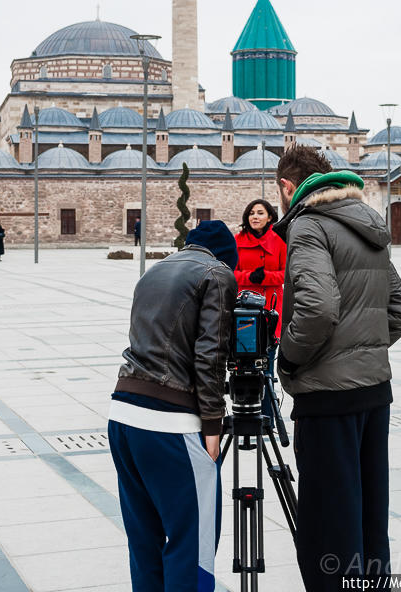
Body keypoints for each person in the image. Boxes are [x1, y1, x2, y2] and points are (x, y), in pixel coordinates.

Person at [273, 145, 401, 588]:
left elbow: (317, 309)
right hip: (374, 393)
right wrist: (361, 350)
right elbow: (400, 310)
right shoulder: (366, 224)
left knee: (330, 525)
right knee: (369, 516)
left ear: (286, 187)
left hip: (328, 399)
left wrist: (289, 358)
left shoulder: (309, 225)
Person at [108, 220, 238, 592]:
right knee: (190, 546)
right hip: (169, 425)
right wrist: (213, 426)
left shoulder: (155, 270)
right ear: (227, 258)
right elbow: (209, 358)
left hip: (123, 417)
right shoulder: (217, 273)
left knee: (144, 543)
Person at [234, 198, 286, 425]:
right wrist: (248, 277)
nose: (254, 217)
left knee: (267, 366)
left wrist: (266, 277)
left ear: (270, 217)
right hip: (244, 309)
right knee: (242, 364)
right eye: (251, 213)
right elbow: (229, 272)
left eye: (260, 213)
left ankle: (267, 418)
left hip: (271, 307)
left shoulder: (280, 241)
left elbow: (287, 273)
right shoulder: (236, 241)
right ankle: (242, 416)